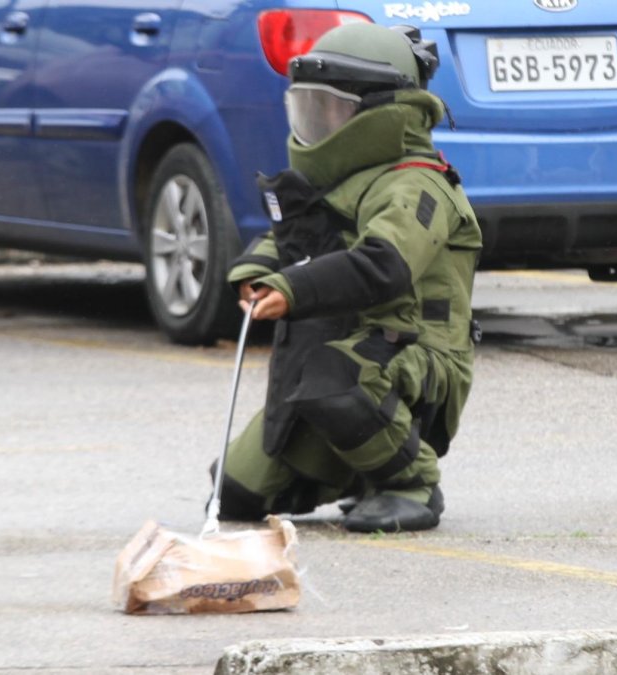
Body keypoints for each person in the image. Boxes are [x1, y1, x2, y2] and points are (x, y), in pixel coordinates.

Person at [213, 22, 482, 533]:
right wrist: (256, 273)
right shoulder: (341, 183)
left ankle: (412, 484)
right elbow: (297, 243)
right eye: (310, 108)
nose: (319, 123)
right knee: (237, 492)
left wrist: (292, 290)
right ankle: (358, 473)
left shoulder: (418, 185)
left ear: (383, 113)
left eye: (333, 110)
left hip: (417, 359)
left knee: (334, 379)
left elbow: (384, 264)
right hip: (344, 353)